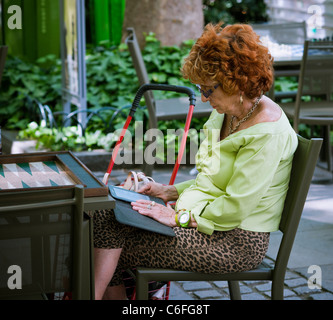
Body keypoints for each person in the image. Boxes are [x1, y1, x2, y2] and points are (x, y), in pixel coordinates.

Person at [93, 23, 298, 300]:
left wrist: (178, 217)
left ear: (235, 82)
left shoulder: (268, 132)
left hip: (234, 242)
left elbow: (234, 207)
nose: (202, 97)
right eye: (200, 88)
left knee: (106, 237)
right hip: (205, 224)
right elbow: (213, 180)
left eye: (208, 89)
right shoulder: (230, 111)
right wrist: (169, 191)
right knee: (105, 217)